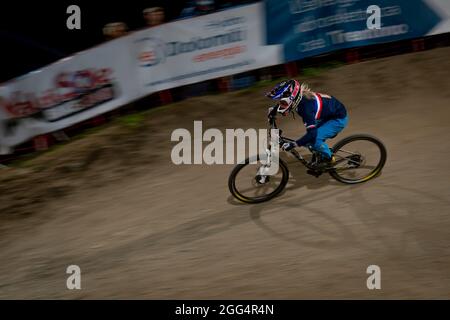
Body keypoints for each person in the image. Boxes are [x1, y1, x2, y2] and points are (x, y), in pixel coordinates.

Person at [266, 79, 348, 169]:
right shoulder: (298, 98)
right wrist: (273, 111)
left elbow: (312, 134)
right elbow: (286, 102)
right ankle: (319, 152)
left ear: (293, 99)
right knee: (309, 142)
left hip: (337, 119)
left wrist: (294, 144)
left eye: (283, 102)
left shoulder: (306, 109)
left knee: (314, 140)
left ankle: (329, 159)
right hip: (328, 114)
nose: (281, 105)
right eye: (280, 102)